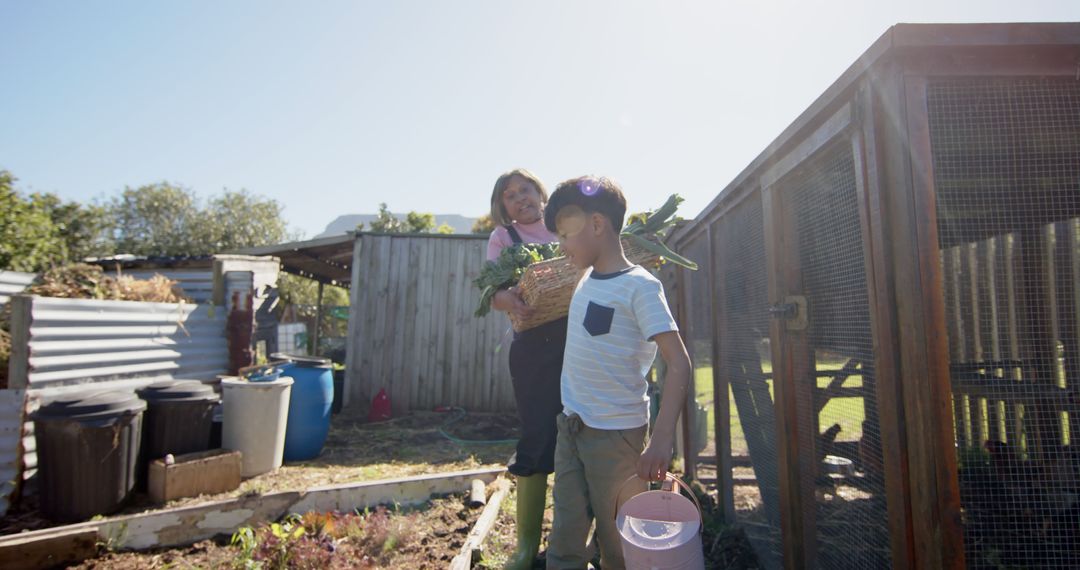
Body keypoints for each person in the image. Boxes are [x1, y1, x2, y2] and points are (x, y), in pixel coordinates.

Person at [542, 176, 691, 569]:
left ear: (596, 225)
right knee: (565, 537)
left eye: (564, 234)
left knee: (618, 544)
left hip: (616, 439)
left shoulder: (640, 287)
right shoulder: (585, 279)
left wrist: (660, 442)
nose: (561, 246)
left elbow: (678, 362)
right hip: (570, 428)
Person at [486, 168, 567, 569]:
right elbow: (491, 292)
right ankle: (525, 547)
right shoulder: (504, 239)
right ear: (503, 206)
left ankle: (576, 539)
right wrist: (508, 300)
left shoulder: (567, 228)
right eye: (510, 195)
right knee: (537, 434)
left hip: (582, 340)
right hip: (534, 345)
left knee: (583, 434)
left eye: (525, 190)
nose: (520, 198)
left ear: (541, 192)